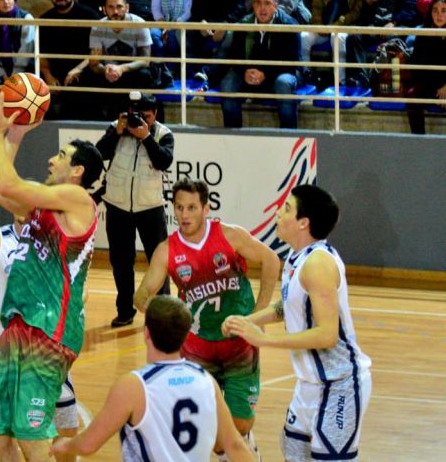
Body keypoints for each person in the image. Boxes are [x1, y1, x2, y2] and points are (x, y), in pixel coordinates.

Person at [0, 91, 104, 461]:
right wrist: (15, 134)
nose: (51, 159)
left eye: (61, 156)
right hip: (17, 327)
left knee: (32, 439)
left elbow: (10, 184)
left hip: (50, 331)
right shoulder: (42, 208)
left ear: (77, 172)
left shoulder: (80, 202)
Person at [133, 178, 280, 460]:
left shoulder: (229, 235)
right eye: (179, 208)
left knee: (240, 424)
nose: (184, 214)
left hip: (238, 343)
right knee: (209, 429)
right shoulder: (167, 250)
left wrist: (257, 317)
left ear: (206, 208)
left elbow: (271, 260)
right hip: (197, 347)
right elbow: (141, 296)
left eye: (191, 207)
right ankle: (237, 452)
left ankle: (244, 443)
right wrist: (159, 308)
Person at [223, 184, 372, 462]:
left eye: (287, 208)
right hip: (310, 384)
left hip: (339, 384)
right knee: (293, 452)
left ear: (303, 223)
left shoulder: (318, 265)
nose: (278, 212)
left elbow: (327, 335)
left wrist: (263, 338)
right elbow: (289, 306)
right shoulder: (298, 257)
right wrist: (248, 320)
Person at [50, 295, 255, 462]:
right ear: (186, 335)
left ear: (146, 333)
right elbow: (235, 446)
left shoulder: (134, 386)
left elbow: (88, 445)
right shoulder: (206, 380)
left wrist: (65, 444)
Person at [0, 217, 82, 462]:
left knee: (66, 426)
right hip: (3, 349)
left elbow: (77, 291)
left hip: (45, 349)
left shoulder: (55, 243)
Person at [96, 93, 174, 327]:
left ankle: (163, 314)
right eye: (135, 115)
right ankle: (124, 311)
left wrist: (146, 137)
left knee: (159, 262)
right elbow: (99, 155)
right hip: (117, 205)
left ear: (155, 115)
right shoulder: (117, 127)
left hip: (151, 207)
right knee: (121, 262)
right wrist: (117, 132)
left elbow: (164, 161)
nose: (139, 120)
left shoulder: (163, 134)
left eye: (146, 116)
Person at [220, 0, 302, 129]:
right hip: (250, 74)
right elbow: (234, 55)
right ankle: (233, 136)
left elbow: (291, 61)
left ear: (275, 6)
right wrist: (244, 72)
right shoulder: (243, 24)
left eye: (267, 3)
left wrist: (265, 74)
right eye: (258, 3)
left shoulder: (289, 25)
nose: (262, 8)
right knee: (228, 84)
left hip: (281, 72)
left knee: (283, 83)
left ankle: (289, 136)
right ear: (253, 5)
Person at [345, 0, 418, 88]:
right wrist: (367, 4)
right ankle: (361, 78)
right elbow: (364, 18)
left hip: (398, 26)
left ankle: (389, 84)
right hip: (377, 28)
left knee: (392, 41)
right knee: (353, 37)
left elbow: (412, 7)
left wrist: (393, 22)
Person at [39, 0, 100, 120]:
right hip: (56, 73)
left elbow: (97, 51)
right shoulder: (45, 20)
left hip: (83, 69)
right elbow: (41, 54)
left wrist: (78, 69)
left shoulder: (90, 16)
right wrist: (48, 76)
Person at [89, 0, 156, 119]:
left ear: (127, 7)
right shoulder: (97, 27)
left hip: (132, 71)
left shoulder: (139, 23)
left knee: (144, 75)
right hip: (109, 73)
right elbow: (94, 64)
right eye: (111, 7)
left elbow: (145, 60)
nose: (115, 11)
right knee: (91, 78)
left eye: (119, 6)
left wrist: (122, 69)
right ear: (104, 9)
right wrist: (105, 70)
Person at [405, 0, 446, 134]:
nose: (439, 15)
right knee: (412, 97)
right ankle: (419, 140)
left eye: (444, 10)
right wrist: (438, 87)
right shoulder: (423, 34)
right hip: (430, 85)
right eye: (435, 10)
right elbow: (418, 69)